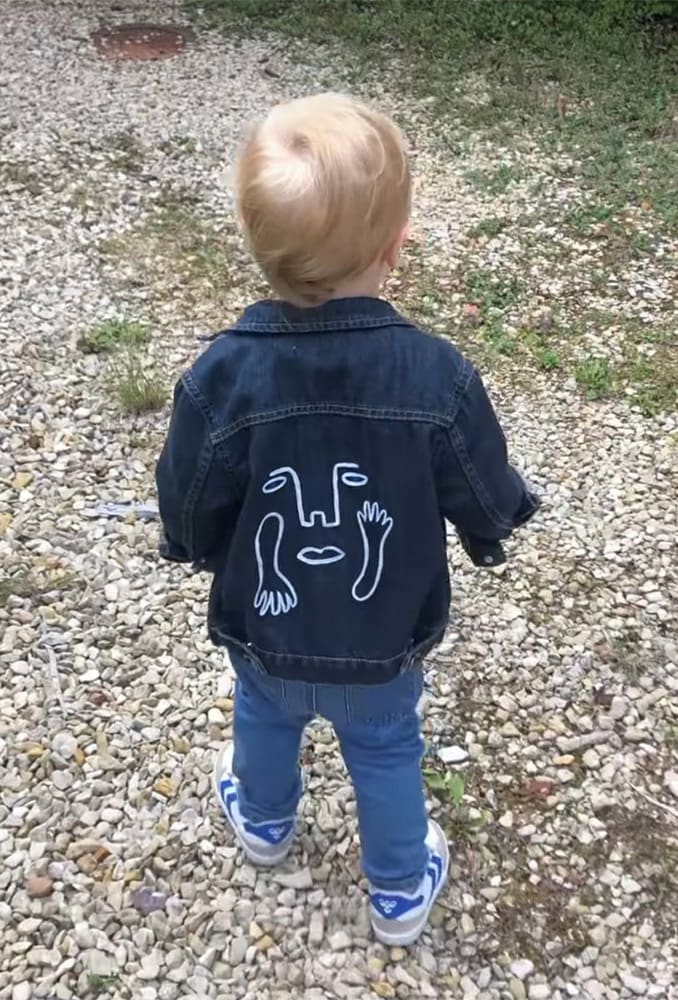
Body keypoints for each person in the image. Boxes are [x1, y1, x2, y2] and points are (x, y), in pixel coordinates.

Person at [155, 93, 539, 946]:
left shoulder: (220, 377)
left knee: (263, 716)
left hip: (268, 622)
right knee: (385, 747)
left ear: (260, 249)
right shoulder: (436, 377)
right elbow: (478, 479)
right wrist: (495, 523)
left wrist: (186, 543)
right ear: (397, 243)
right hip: (383, 637)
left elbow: (188, 491)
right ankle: (399, 890)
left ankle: (262, 819)